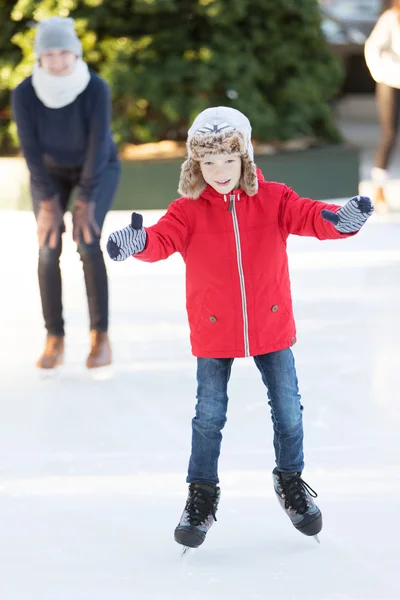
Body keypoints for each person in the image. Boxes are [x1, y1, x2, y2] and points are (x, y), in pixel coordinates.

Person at [106, 107, 373, 549]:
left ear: (245, 158)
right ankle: (201, 493)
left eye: (228, 160)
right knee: (208, 416)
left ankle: (290, 482)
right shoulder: (187, 210)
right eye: (207, 163)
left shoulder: (274, 198)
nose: (218, 171)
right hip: (214, 331)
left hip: (270, 325)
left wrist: (340, 221)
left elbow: (312, 216)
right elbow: (160, 240)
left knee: (288, 410)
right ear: (196, 165)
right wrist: (138, 243)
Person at [12, 16, 120, 370]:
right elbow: (29, 149)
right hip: (49, 174)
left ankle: (100, 337)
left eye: (63, 53)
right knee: (48, 247)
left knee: (88, 241)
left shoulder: (95, 88)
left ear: (75, 53)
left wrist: (86, 199)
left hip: (97, 168)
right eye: (49, 54)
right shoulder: (25, 92)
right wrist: (47, 202)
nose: (57, 61)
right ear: (39, 57)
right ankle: (54, 337)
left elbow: (97, 146)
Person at [364, 0, 400, 211]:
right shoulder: (390, 19)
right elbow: (373, 49)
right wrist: (382, 74)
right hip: (390, 83)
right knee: (389, 135)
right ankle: (378, 188)